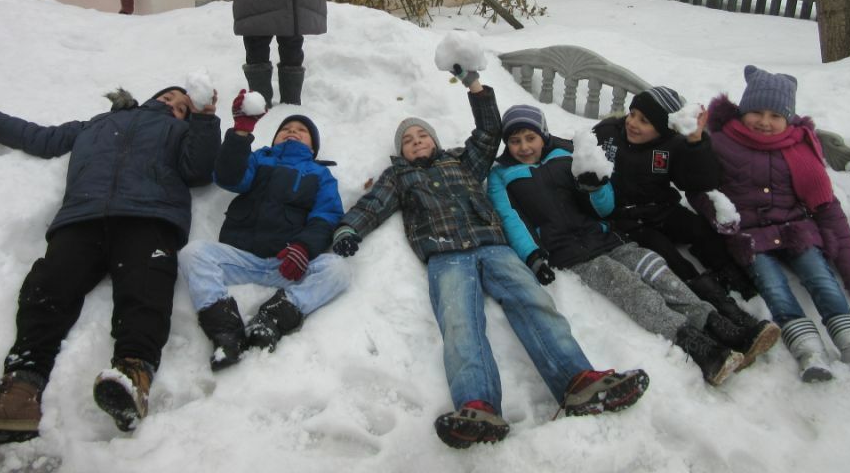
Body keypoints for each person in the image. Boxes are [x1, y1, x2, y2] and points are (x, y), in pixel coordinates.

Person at [330, 67, 648, 450]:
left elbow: (487, 133)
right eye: (408, 141)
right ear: (401, 152)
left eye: (422, 135)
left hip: (493, 244)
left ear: (435, 140)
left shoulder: (461, 161)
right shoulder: (398, 176)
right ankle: (477, 405)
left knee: (532, 301)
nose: (416, 142)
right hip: (445, 255)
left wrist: (476, 87)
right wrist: (348, 230)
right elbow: (372, 205)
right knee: (459, 322)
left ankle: (578, 380)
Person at [0, 85, 222, 445]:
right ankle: (20, 391)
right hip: (83, 216)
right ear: (151, 98)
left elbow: (200, 169)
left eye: (182, 107)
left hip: (149, 217)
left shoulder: (181, 133)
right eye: (168, 98)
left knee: (146, 289)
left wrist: (205, 120)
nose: (173, 106)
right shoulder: (97, 123)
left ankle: (133, 376)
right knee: (48, 287)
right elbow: (45, 139)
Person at [488, 104, 779, 386]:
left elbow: (603, 207)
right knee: (631, 288)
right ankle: (700, 347)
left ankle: (719, 325)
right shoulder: (501, 175)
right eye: (515, 141)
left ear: (543, 134)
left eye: (530, 138)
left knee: (659, 272)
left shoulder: (568, 154)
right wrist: (533, 256)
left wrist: (595, 187)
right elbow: (511, 219)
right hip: (570, 253)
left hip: (605, 236)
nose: (524, 147)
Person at [687, 65, 850, 383]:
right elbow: (700, 188)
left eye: (775, 115)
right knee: (775, 289)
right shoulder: (722, 143)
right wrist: (719, 217)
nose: (764, 122)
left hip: (796, 231)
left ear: (788, 118)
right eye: (756, 112)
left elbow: (827, 209)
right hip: (749, 237)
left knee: (821, 279)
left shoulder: (798, 147)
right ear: (743, 110)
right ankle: (808, 350)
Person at [179, 90, 349, 370]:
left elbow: (326, 216)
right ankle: (226, 330)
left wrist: (303, 248)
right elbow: (229, 178)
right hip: (243, 258)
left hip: (288, 263)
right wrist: (240, 134)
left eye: (301, 130)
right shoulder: (259, 159)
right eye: (286, 129)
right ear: (274, 138)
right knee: (193, 253)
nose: (292, 132)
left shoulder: (321, 175)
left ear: (313, 147)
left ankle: (273, 318)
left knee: (337, 270)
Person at [592, 86, 767, 330]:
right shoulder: (608, 133)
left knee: (700, 230)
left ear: (663, 129)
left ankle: (740, 285)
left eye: (644, 121)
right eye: (632, 114)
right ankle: (719, 305)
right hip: (627, 219)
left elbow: (699, 181)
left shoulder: (672, 145)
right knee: (668, 255)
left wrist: (696, 143)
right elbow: (578, 153)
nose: (632, 123)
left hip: (661, 208)